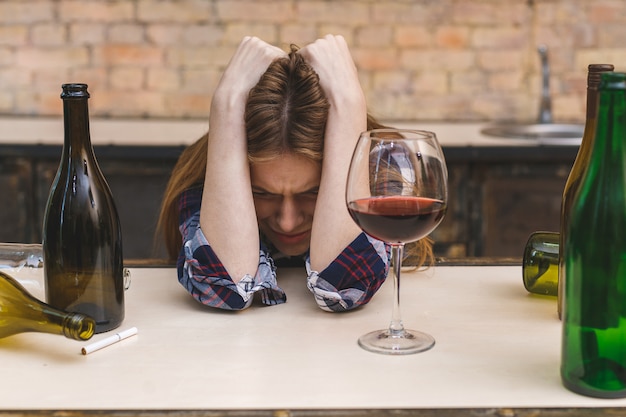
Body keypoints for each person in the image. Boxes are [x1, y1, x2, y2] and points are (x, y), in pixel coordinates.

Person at [157, 35, 433, 311]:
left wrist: (348, 104)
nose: (287, 222)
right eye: (261, 192)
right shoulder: (212, 168)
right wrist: (227, 104)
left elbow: (344, 289)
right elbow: (222, 288)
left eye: (313, 191)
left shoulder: (385, 161)